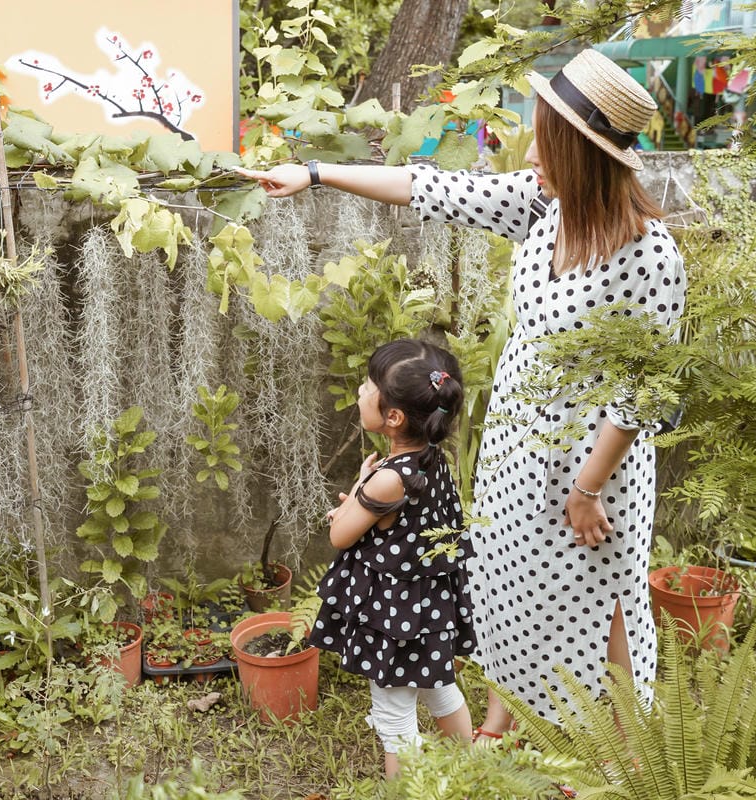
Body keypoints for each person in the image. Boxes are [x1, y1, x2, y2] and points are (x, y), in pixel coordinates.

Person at [238, 48, 686, 740]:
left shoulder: (650, 255)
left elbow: (645, 393)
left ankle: (626, 760)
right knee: (512, 591)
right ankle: (499, 728)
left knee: (606, 605)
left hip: (594, 467)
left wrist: (589, 488)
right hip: (516, 449)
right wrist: (316, 173)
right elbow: (428, 188)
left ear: (584, 152)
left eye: (547, 135)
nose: (532, 146)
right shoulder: (544, 208)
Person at [310, 338, 476, 777]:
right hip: (429, 609)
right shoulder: (431, 460)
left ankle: (402, 790)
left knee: (394, 715)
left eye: (368, 386)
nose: (362, 391)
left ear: (394, 416)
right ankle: (472, 773)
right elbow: (402, 529)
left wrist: (360, 490)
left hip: (394, 618)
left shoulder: (388, 479)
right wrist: (363, 499)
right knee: (441, 690)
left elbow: (340, 537)